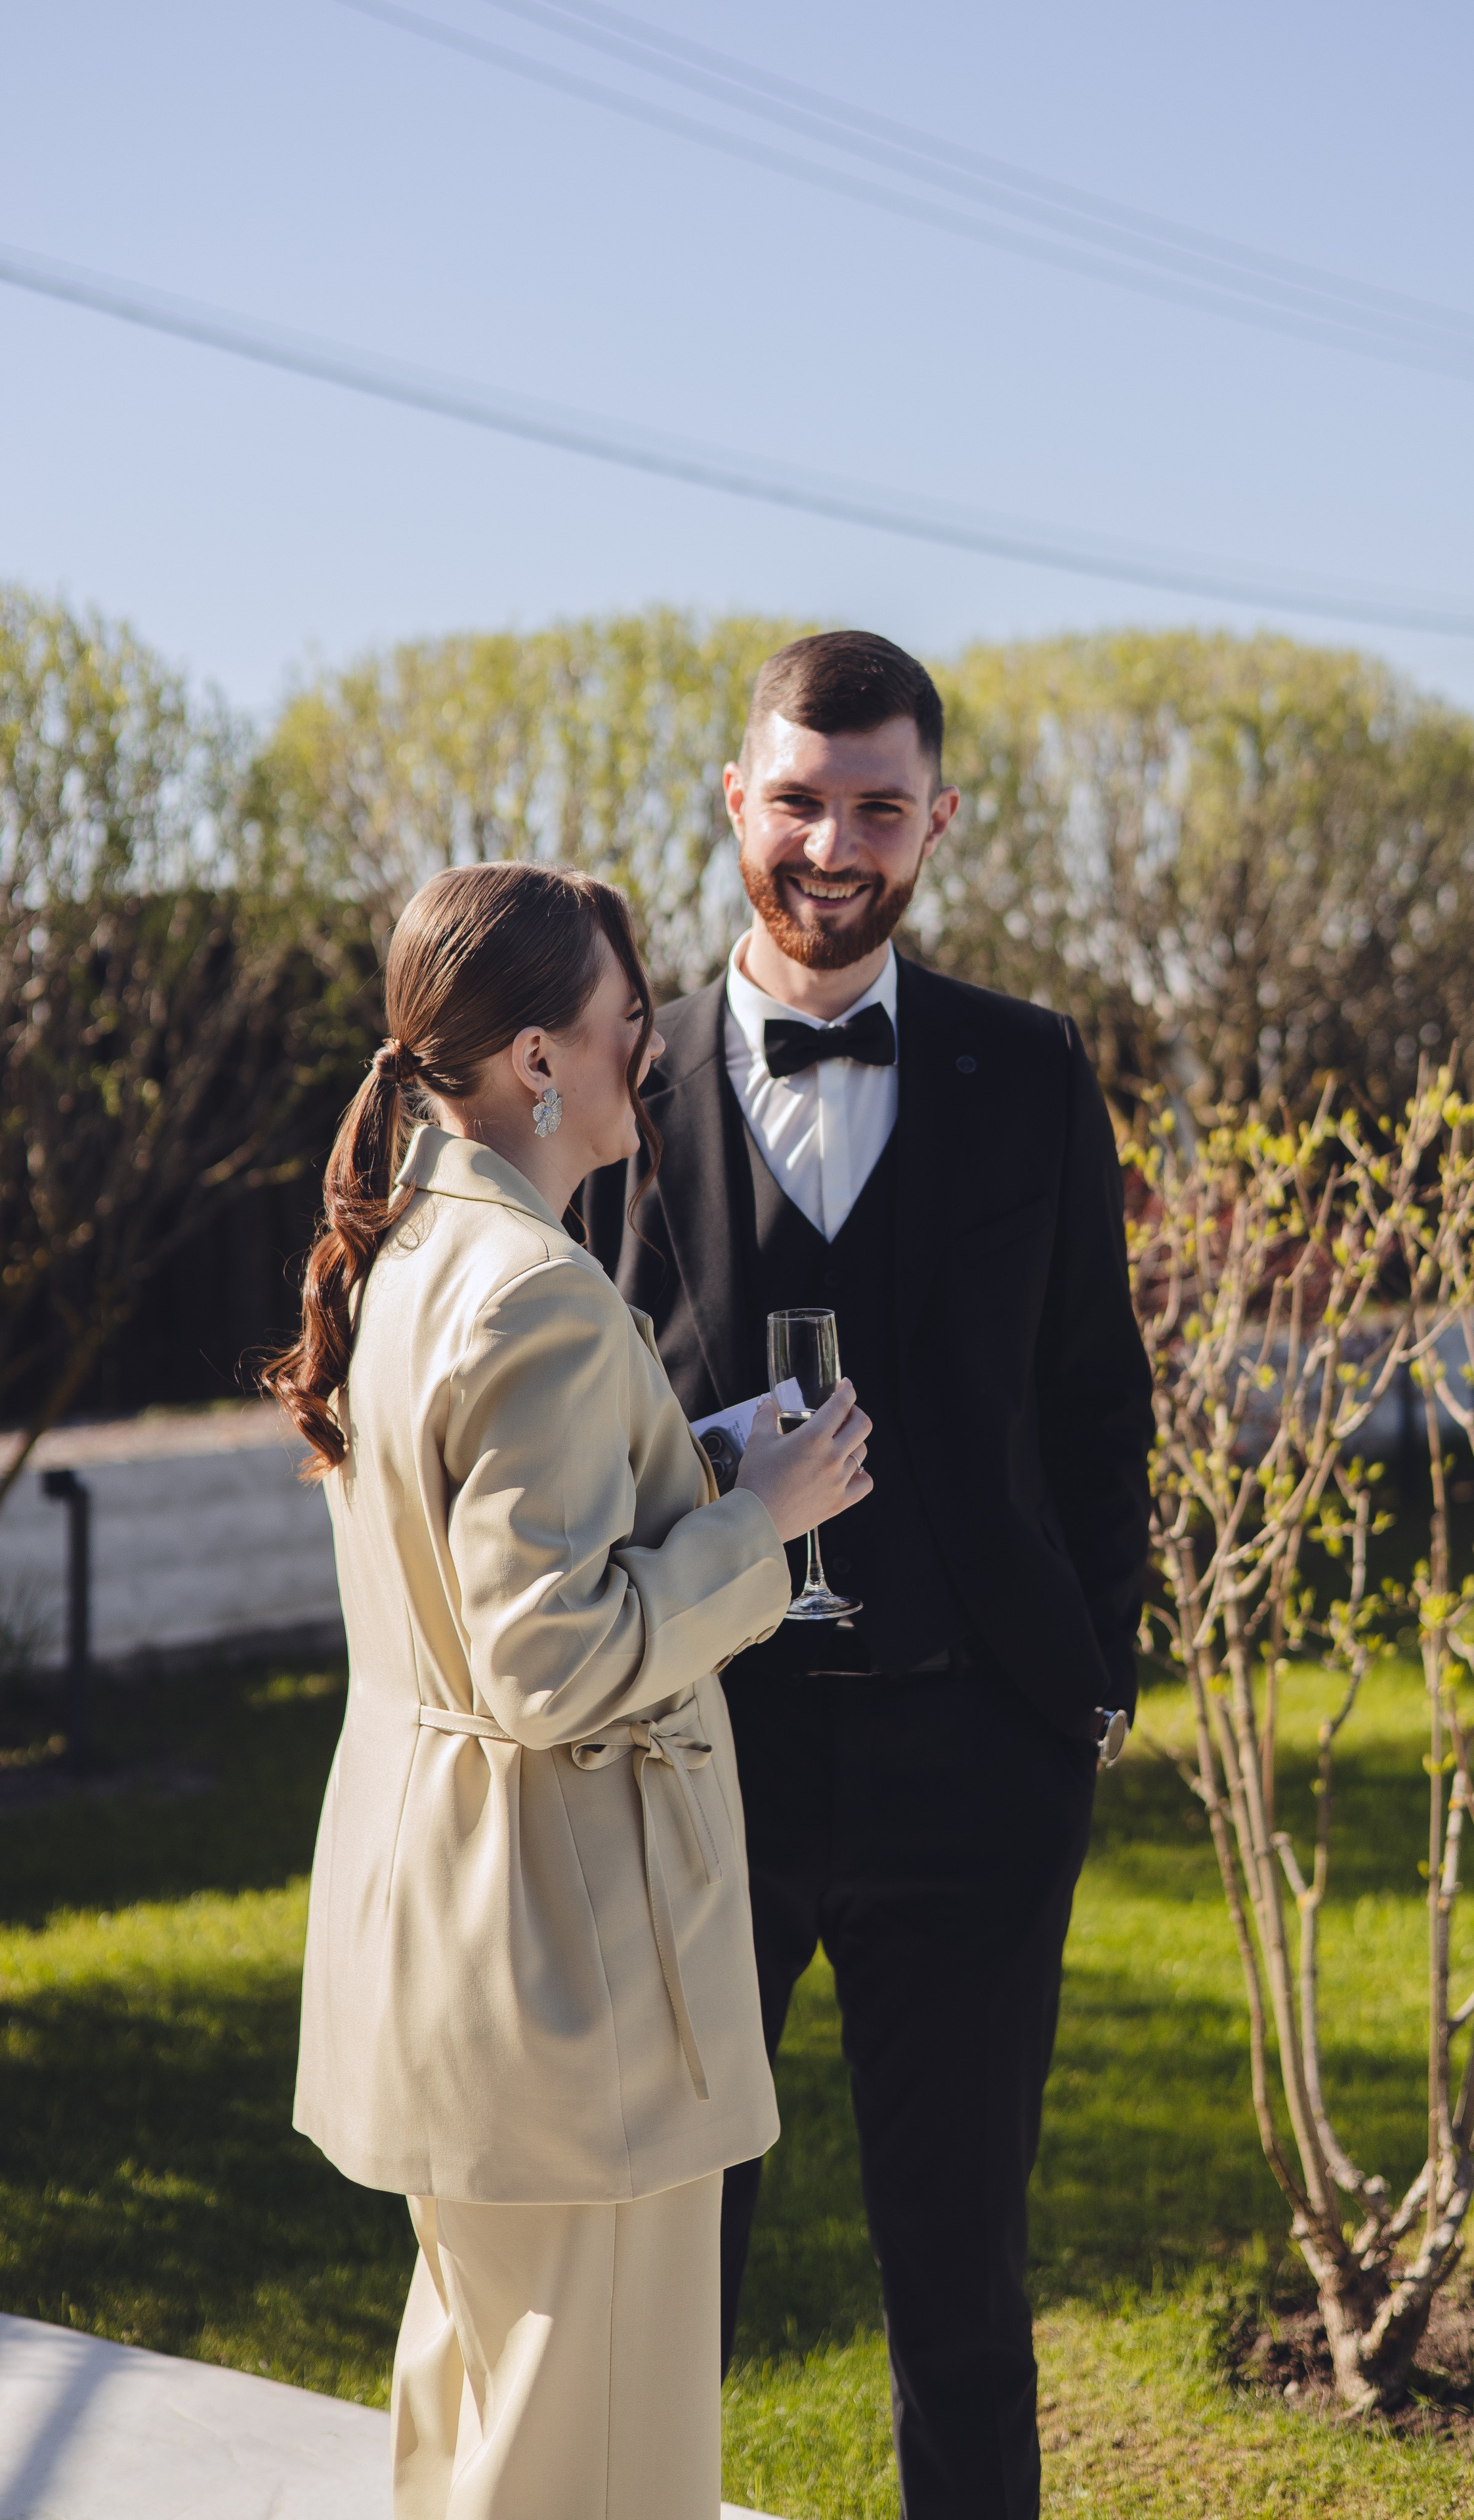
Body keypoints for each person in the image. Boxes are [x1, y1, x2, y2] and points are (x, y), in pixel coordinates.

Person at [583, 631, 1154, 2520]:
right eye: (801, 800)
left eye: (880, 808)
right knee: (664, 2276)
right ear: (736, 800)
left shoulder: (1028, 1068)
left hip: (975, 1770)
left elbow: (1095, 1393)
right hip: (691, 1768)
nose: (836, 845)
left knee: (966, 2299)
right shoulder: (614, 1085)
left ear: (938, 821)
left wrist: (1088, 1681)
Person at [264, 860, 872, 2520]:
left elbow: (485, 1583)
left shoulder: (417, 1251)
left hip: (452, 1930)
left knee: (484, 2414)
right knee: (588, 2463)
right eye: (621, 1029)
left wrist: (701, 1468)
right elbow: (547, 1658)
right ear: (535, 1060)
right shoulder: (535, 1284)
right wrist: (762, 1523)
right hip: (563, 1953)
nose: (645, 1057)